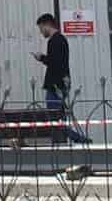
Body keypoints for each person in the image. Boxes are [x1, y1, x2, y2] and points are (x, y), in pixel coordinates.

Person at [34, 13, 87, 144]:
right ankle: (70, 140)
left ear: (47, 25)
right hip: (60, 84)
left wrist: (41, 58)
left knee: (55, 119)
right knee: (58, 119)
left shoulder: (55, 40)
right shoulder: (61, 40)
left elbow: (55, 63)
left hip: (55, 86)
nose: (41, 32)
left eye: (41, 28)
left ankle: (79, 139)